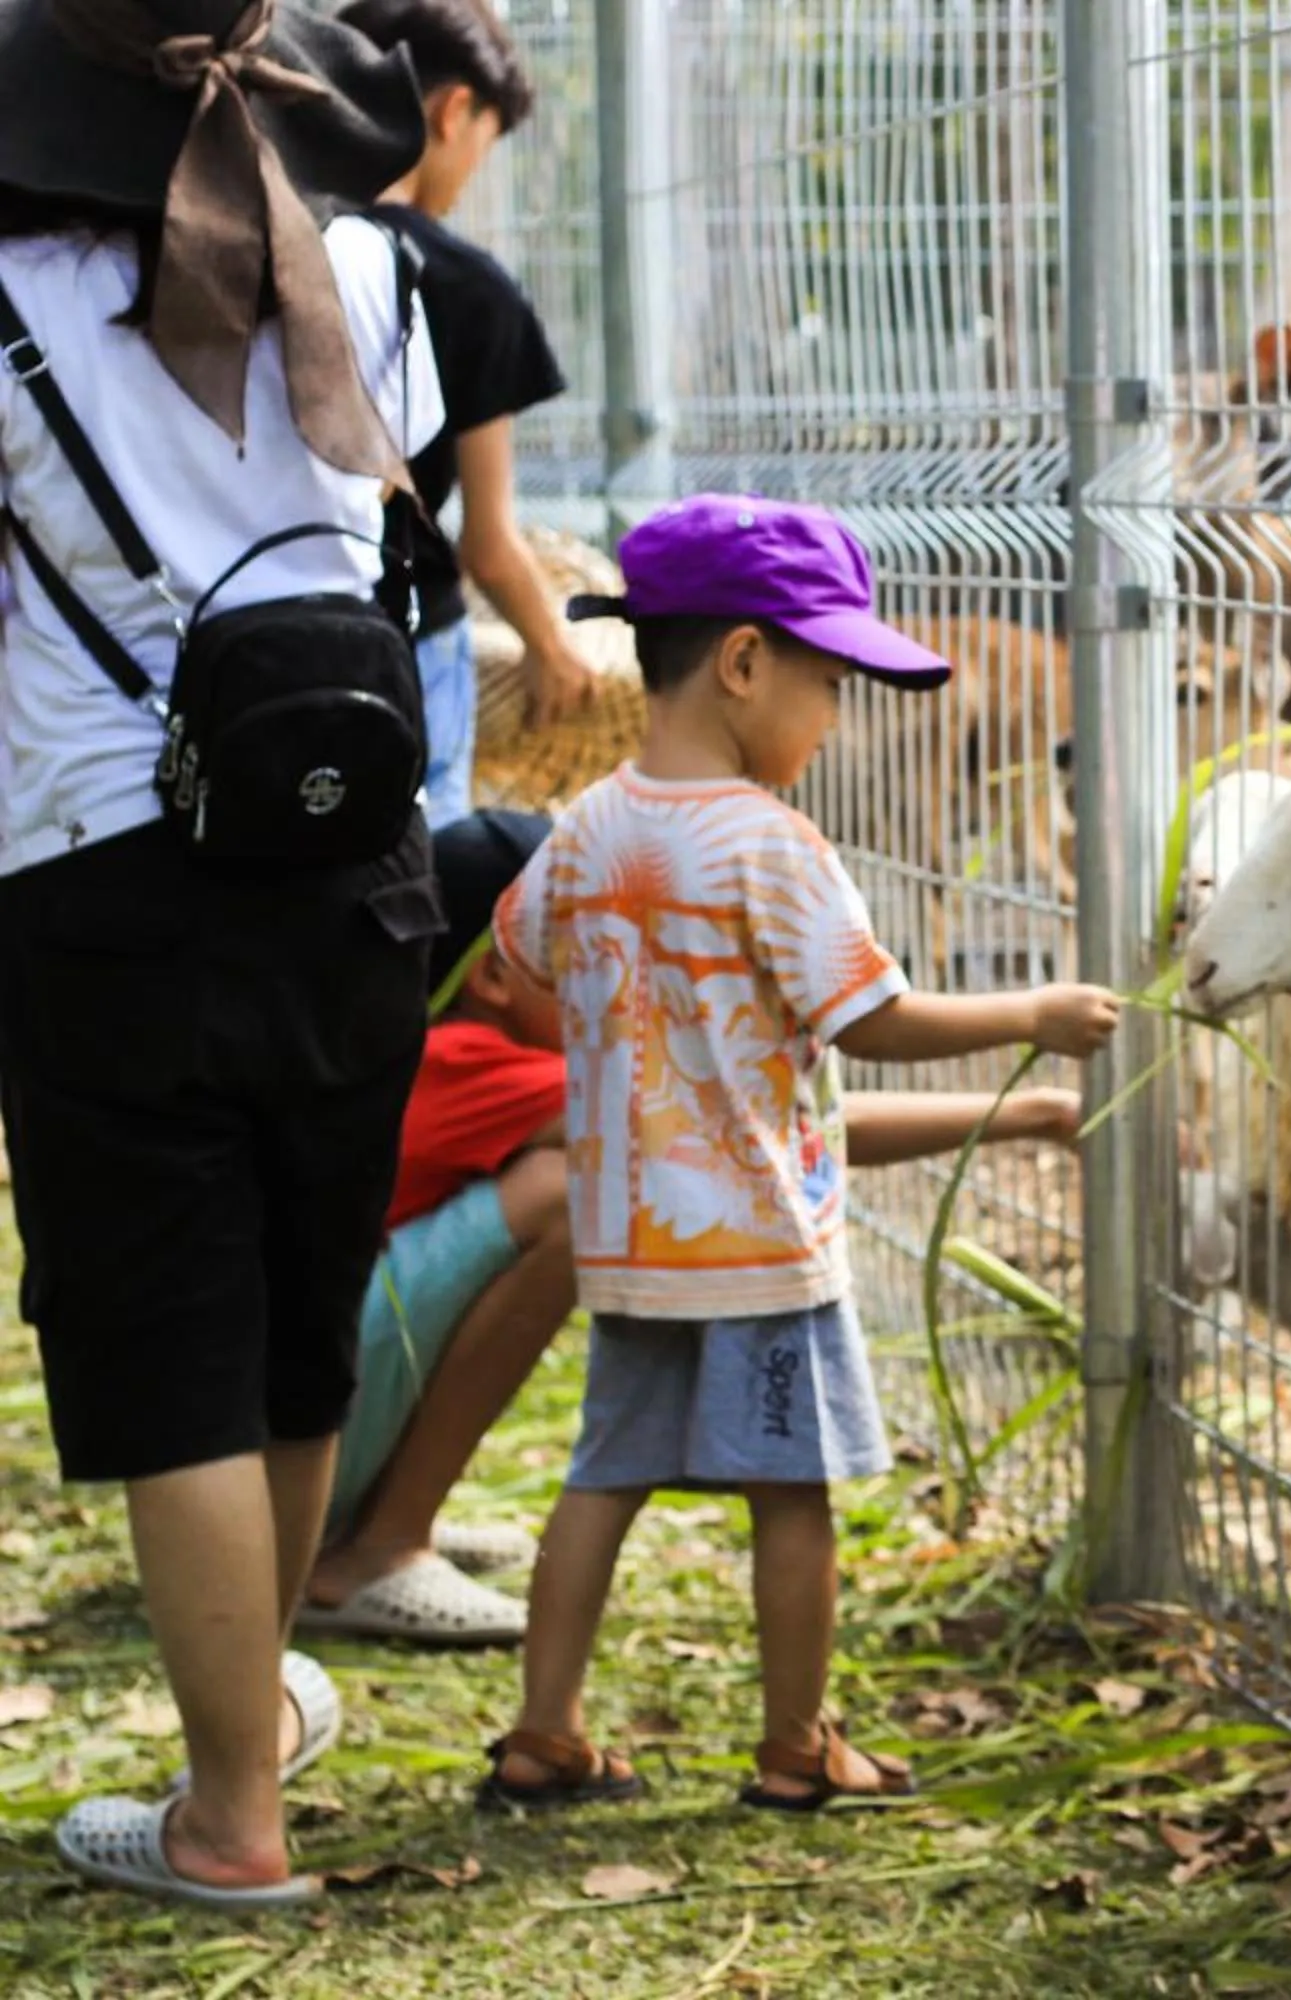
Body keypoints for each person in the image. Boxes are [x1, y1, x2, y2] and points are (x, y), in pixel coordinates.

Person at [0, 0, 445, 1905]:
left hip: (104, 865)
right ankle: (248, 1733)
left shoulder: (11, 300)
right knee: (292, 1323)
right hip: (359, 856)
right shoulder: (371, 269)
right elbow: (383, 518)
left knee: (169, 1340)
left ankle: (229, 1817)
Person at [481, 492, 1123, 1809]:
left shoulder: (587, 828)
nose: (832, 719)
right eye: (827, 684)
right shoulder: (772, 844)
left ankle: (543, 1731)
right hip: (761, 1243)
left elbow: (519, 956)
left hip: (629, 1237)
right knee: (793, 1494)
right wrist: (1035, 1015)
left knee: (601, 1479)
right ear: (742, 662)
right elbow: (873, 1020)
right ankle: (796, 1745)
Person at [306, 807, 1092, 1648]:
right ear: (497, 975)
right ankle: (380, 1549)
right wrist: (1029, 1090)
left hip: (319, 1409)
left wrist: (1036, 1113)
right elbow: (762, 1131)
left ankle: (370, 1517)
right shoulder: (473, 1063)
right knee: (564, 1199)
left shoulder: (480, 1054)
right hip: (316, 1409)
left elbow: (776, 1127)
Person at [334, 0, 592, 823]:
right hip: (407, 632)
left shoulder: (270, 242)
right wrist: (553, 646)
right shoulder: (468, 287)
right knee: (421, 862)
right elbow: (489, 544)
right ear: (454, 111)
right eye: (486, 139)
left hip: (260, 621)